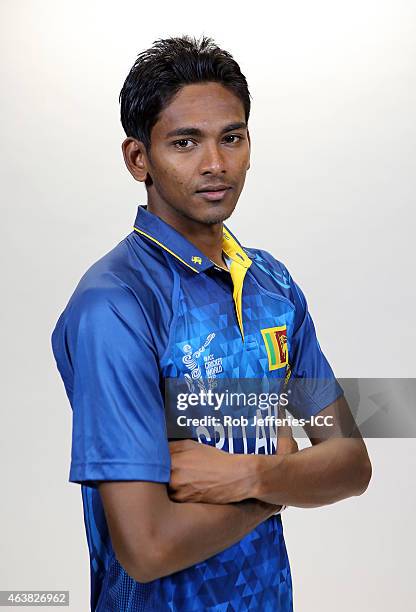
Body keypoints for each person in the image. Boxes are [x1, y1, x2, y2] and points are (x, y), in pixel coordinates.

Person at [51, 35, 372, 612]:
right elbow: (146, 547)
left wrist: (250, 475)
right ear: (138, 159)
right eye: (184, 142)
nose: (216, 164)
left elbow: (350, 462)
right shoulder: (116, 306)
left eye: (232, 137)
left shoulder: (274, 284)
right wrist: (284, 481)